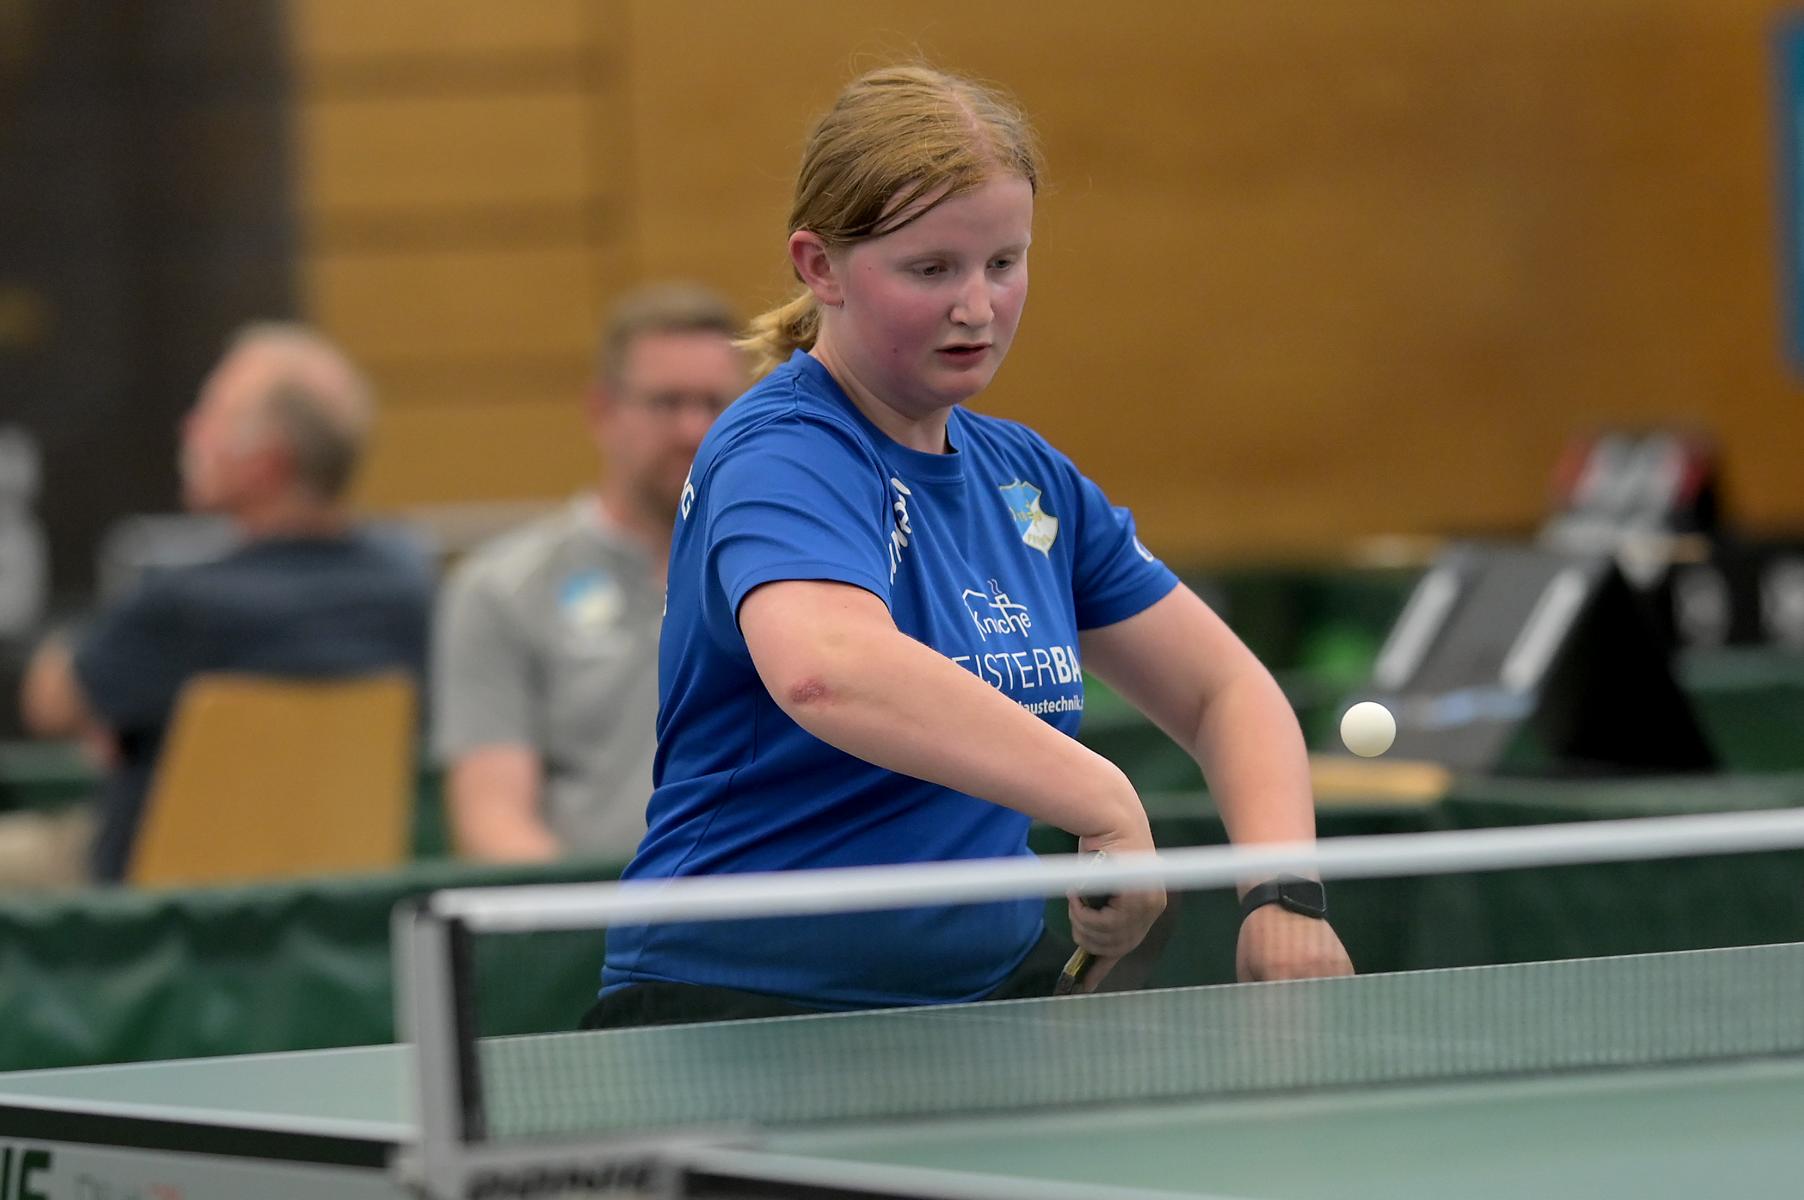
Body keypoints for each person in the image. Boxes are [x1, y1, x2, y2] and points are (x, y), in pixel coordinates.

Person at [593, 65, 1353, 1026]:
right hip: (738, 1009)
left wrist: (1282, 894)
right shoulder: (781, 451)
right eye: (932, 269)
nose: (977, 306)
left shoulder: (1026, 479)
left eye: (1003, 262)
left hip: (979, 1006)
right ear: (820, 266)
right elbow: (827, 670)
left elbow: (1225, 690)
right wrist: (1103, 799)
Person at [17, 323, 431, 884]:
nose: (188, 429)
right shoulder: (406, 587)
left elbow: (51, 703)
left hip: (147, 900)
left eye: (210, 415)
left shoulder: (180, 609)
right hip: (339, 895)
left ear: (266, 462)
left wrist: (113, 707)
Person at [432, 284, 746, 862]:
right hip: (591, 911)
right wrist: (602, 909)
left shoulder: (783, 579)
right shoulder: (501, 590)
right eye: (666, 403)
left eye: (713, 404)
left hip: (758, 901)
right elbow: (494, 821)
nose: (691, 431)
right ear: (602, 412)